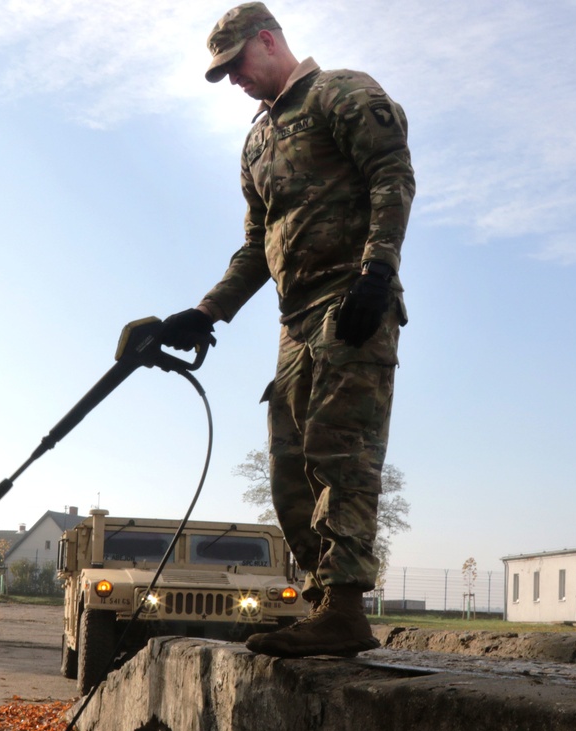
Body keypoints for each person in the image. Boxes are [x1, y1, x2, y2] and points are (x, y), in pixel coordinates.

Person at [160, 2, 414, 658]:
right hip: (294, 320)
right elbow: (255, 247)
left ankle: (347, 607)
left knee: (340, 454)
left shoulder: (342, 93)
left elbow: (392, 178)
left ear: (267, 41)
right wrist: (207, 310)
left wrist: (377, 273)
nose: (234, 81)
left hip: (351, 300)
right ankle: (322, 606)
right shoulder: (256, 141)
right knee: (288, 468)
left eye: (237, 65)